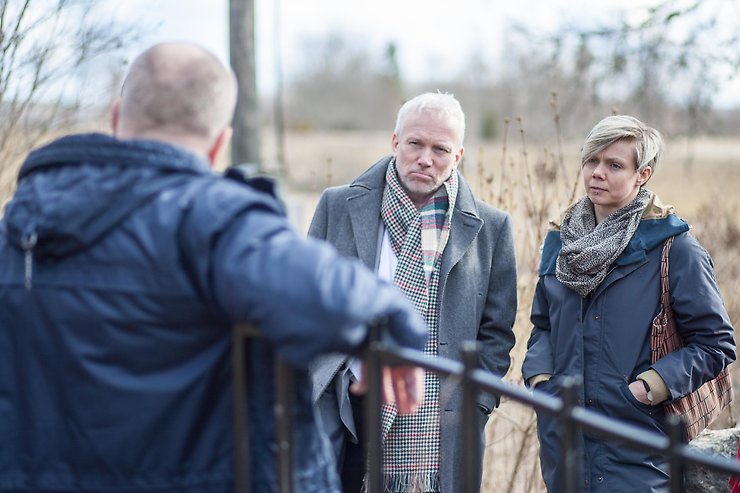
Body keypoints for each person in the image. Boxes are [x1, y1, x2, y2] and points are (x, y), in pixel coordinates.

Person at [0, 42, 429, 493]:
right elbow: (324, 289)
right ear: (218, 145)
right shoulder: (215, 222)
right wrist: (394, 324)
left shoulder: (20, 226)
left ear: (114, 118)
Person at [309, 92, 518, 492]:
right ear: (395, 143)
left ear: (457, 156)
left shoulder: (491, 227)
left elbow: (497, 332)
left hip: (439, 416)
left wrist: (476, 405)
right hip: (342, 404)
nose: (425, 158)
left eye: (440, 149)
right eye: (415, 144)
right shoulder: (337, 206)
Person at [522, 115, 736, 492]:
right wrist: (542, 381)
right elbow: (544, 326)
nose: (597, 173)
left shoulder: (674, 247)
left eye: (614, 164)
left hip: (637, 442)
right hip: (564, 440)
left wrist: (648, 388)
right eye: (591, 161)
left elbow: (716, 344)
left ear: (643, 175)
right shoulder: (561, 242)